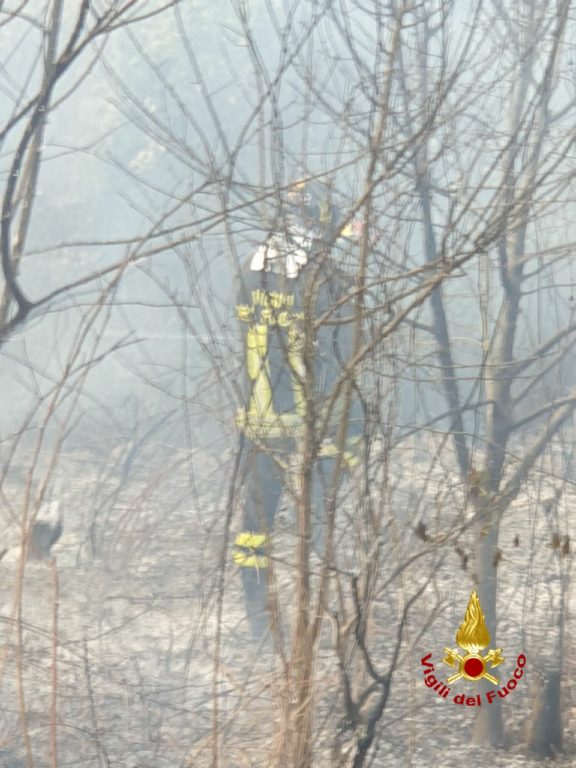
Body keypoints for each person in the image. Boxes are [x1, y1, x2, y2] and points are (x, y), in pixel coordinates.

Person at [233, 179, 364, 637]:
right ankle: (324, 624)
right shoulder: (327, 280)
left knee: (254, 532)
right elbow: (343, 360)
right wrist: (348, 439)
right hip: (314, 424)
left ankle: (260, 630)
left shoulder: (250, 268)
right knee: (320, 522)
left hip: (260, 421)